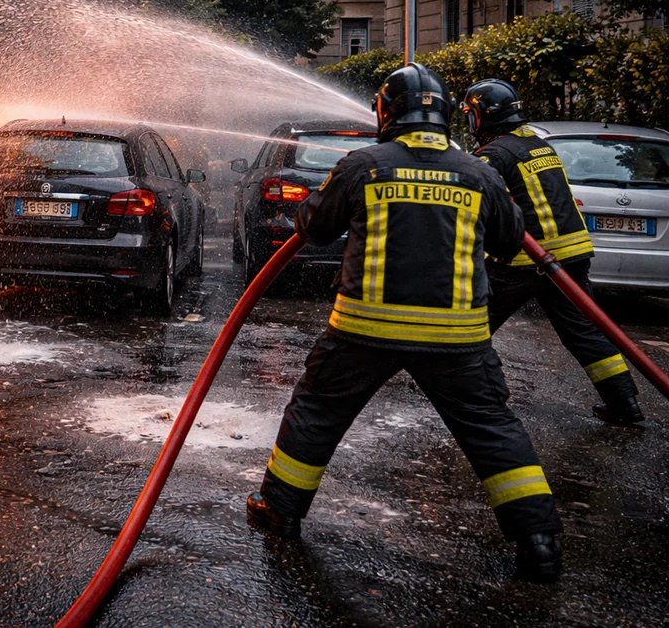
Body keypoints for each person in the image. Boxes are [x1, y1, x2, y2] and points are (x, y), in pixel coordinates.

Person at [246, 63, 564, 582]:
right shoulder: (479, 173)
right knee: (491, 428)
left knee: (318, 412)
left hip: (364, 330)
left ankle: (279, 512)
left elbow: (314, 227)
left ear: (386, 112)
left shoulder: (363, 166)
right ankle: (539, 542)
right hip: (457, 338)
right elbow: (511, 242)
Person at [461, 79, 642, 425]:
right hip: (571, 253)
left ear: (483, 116)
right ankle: (624, 403)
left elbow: (477, 205)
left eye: (471, 114)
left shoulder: (494, 154)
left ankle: (458, 389)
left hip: (525, 260)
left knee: (471, 322)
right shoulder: (539, 145)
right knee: (585, 331)